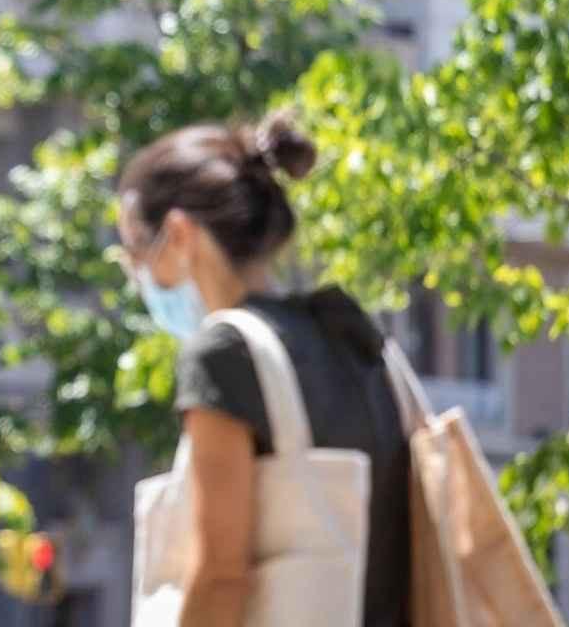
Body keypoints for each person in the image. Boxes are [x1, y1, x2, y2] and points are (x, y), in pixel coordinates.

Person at [117, 114, 410, 627]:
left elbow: (222, 577)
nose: (138, 277)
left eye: (136, 254)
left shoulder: (225, 354)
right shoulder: (354, 337)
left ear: (180, 233)